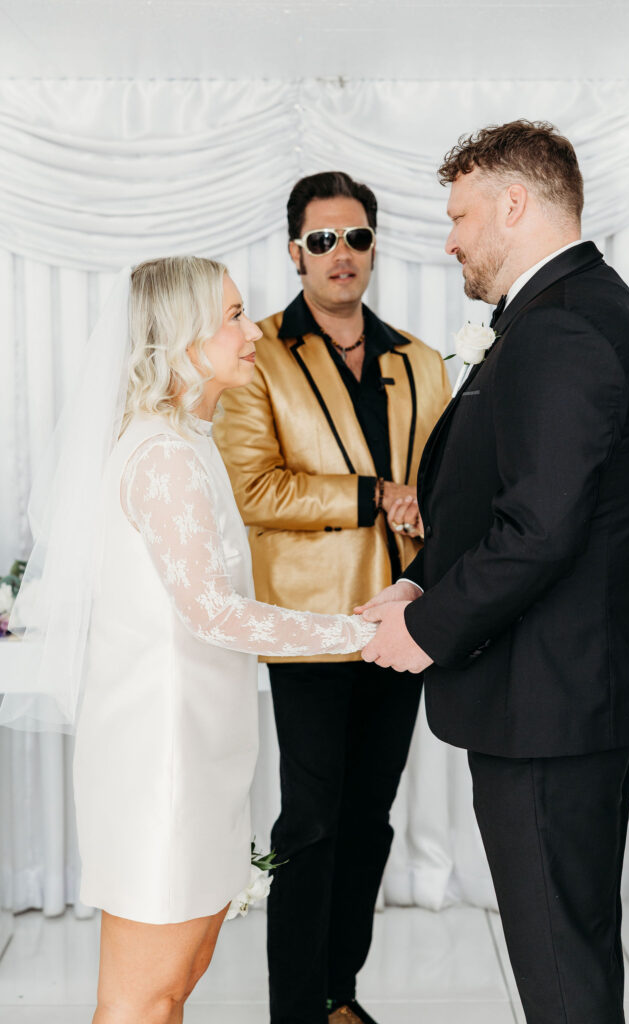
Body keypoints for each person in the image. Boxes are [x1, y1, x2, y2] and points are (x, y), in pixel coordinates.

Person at [1, 256, 376, 1024]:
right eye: (233, 316)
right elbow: (214, 612)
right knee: (145, 996)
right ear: (179, 337)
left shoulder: (186, 440)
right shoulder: (165, 456)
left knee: (179, 979)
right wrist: (357, 632)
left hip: (195, 753)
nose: (253, 331)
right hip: (159, 765)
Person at [358, 121, 629, 1024]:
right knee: (566, 942)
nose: (447, 237)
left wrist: (422, 631)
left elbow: (539, 530)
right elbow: (517, 501)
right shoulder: (572, 308)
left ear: (513, 203)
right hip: (564, 694)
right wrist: (419, 581)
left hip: (551, 703)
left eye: (458, 214)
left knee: (559, 967)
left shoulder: (564, 325)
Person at [215, 171, 451, 1024]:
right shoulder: (258, 354)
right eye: (321, 241)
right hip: (311, 628)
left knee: (371, 820)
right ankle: (293, 1011)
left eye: (354, 237)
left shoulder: (422, 361)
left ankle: (337, 995)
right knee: (310, 822)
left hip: (401, 627)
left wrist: (432, 506)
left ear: (374, 246)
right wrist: (375, 493)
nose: (339, 254)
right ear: (294, 252)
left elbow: (442, 485)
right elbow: (254, 489)